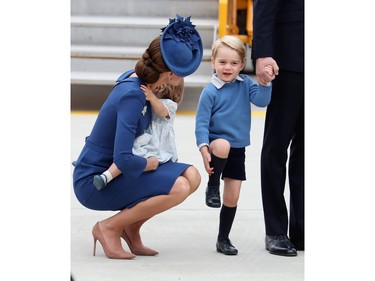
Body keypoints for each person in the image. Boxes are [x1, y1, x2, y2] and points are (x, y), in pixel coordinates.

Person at [72, 15, 203, 259]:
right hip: (95, 180)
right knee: (180, 186)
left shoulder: (138, 79)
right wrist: (151, 163)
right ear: (173, 74)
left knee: (193, 177)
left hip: (116, 169)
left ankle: (131, 226)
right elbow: (122, 159)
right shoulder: (133, 95)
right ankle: (108, 227)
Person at [195, 35, 272, 255]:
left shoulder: (245, 84)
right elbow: (201, 124)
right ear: (213, 63)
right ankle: (212, 185)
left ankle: (223, 239)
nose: (228, 67)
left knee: (233, 196)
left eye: (234, 63)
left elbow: (261, 101)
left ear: (241, 65)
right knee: (222, 145)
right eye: (222, 62)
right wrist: (203, 148)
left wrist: (265, 83)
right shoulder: (210, 92)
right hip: (216, 147)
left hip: (238, 149)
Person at [251, 0, 305, 256]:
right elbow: (264, 5)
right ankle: (275, 230)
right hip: (288, 57)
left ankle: (302, 228)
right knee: (276, 146)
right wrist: (262, 53)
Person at [92, 80, 184, 190]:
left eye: (161, 87)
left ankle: (107, 176)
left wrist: (151, 97)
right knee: (124, 152)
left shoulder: (170, 105)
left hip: (155, 147)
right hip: (145, 140)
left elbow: (162, 111)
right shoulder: (151, 101)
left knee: (136, 158)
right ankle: (100, 169)